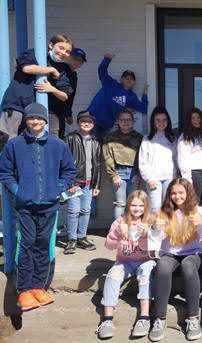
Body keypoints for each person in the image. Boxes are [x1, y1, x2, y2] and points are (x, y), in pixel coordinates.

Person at [0, 102, 76, 311]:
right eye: (31, 118)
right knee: (26, 245)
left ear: (45, 120)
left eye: (39, 118)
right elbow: (5, 172)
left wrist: (57, 188)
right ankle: (24, 289)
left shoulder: (57, 144)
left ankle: (38, 287)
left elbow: (69, 171)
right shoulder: (15, 144)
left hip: (49, 206)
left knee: (43, 244)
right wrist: (18, 191)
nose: (35, 121)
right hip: (25, 207)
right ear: (26, 121)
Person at [149, 178, 202, 342]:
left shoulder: (197, 210)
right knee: (162, 265)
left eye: (181, 193)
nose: (177, 196)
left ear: (188, 193)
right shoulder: (163, 211)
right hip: (169, 254)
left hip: (193, 253)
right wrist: (155, 228)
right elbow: (156, 236)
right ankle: (160, 318)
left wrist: (201, 222)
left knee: (188, 265)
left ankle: (193, 318)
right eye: (173, 193)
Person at [96, 190, 156, 339]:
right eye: (133, 205)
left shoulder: (150, 221)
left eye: (141, 205)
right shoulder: (120, 221)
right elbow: (109, 245)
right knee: (113, 275)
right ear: (128, 205)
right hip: (124, 261)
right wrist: (117, 232)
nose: (137, 208)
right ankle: (107, 319)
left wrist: (147, 234)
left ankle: (144, 317)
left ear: (146, 206)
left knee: (145, 276)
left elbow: (156, 249)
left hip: (145, 260)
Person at [0, 34, 72, 144]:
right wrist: (51, 69)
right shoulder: (34, 54)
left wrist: (52, 89)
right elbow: (27, 68)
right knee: (8, 139)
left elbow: (65, 95)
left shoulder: (63, 69)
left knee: (28, 143)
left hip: (36, 112)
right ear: (51, 45)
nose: (63, 53)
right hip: (17, 105)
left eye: (67, 51)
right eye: (61, 48)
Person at [63, 110, 102, 254]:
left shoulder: (96, 141)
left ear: (93, 124)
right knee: (73, 211)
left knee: (86, 210)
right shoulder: (71, 138)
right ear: (78, 123)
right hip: (74, 183)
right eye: (83, 121)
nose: (86, 123)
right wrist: (68, 182)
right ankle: (72, 239)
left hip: (89, 183)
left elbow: (98, 164)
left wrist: (97, 185)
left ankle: (82, 237)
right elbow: (64, 161)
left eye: (90, 121)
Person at [87, 53, 148, 141]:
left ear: (134, 82)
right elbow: (102, 70)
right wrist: (107, 59)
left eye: (131, 78)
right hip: (92, 120)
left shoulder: (131, 97)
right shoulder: (110, 83)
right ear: (121, 79)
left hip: (106, 126)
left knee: (101, 150)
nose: (129, 79)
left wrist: (145, 94)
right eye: (126, 77)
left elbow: (144, 108)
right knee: (88, 146)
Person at [103, 109, 143, 219]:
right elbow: (108, 157)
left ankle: (133, 229)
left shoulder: (139, 137)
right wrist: (114, 175)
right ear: (118, 122)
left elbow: (142, 157)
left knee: (134, 203)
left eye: (128, 119)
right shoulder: (110, 138)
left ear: (133, 121)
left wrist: (140, 173)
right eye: (123, 120)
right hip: (118, 172)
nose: (126, 122)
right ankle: (119, 231)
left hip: (134, 173)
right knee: (120, 203)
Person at [139, 106, 175, 212]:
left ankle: (166, 229)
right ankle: (155, 229)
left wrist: (175, 176)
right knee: (155, 208)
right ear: (153, 122)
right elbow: (143, 161)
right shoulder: (147, 139)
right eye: (158, 120)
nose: (161, 123)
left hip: (169, 178)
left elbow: (176, 159)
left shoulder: (173, 138)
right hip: (154, 179)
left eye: (164, 120)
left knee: (168, 208)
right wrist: (149, 178)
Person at [176, 108, 202, 207]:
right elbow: (183, 159)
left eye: (198, 117)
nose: (197, 120)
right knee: (196, 203)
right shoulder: (185, 136)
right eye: (193, 118)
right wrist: (188, 179)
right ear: (189, 120)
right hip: (195, 173)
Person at [59, 47, 87, 139]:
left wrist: (68, 114)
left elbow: (70, 96)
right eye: (75, 58)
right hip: (53, 110)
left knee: (61, 135)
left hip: (62, 112)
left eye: (80, 60)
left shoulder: (74, 76)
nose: (77, 62)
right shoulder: (61, 68)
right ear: (68, 57)